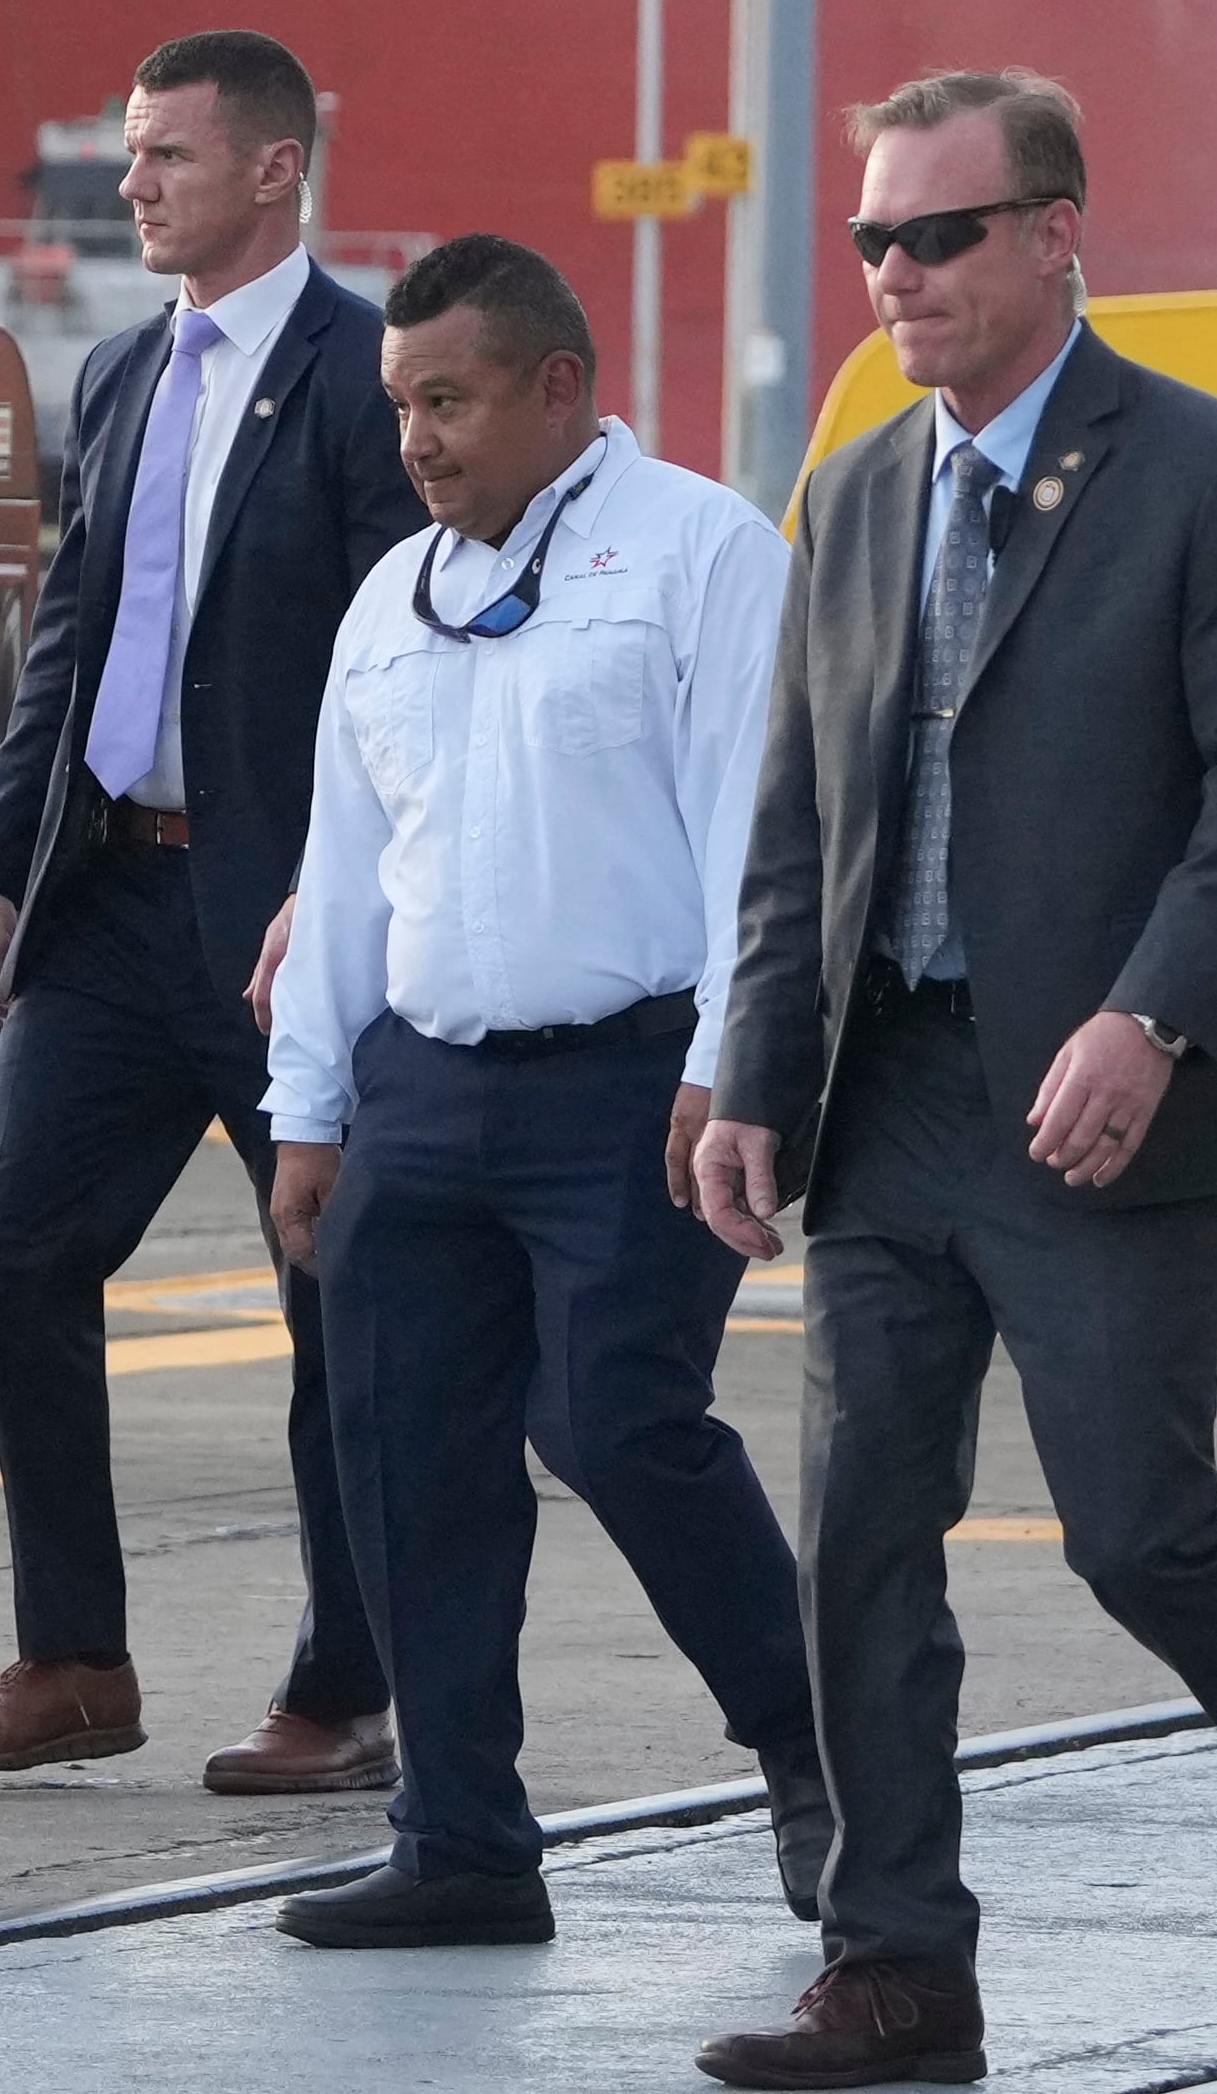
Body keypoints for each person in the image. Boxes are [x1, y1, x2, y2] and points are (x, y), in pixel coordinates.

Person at [692, 70, 1217, 2089]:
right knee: (860, 1525)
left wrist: (1151, 1011)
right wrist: (751, 1068)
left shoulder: (1206, 467)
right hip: (888, 1094)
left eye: (938, 233)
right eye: (872, 238)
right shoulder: (848, 493)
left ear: (1055, 232)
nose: (897, 273)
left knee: (1135, 1525)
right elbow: (793, 821)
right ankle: (899, 1963)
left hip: (1108, 1090)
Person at [254, 235, 823, 1952]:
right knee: (403, 1450)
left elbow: (756, 832)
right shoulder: (390, 600)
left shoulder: (702, 555)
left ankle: (818, 1758)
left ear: (557, 391)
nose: (415, 437)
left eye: (449, 399)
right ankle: (462, 1844)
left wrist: (737, 1060)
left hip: (633, 1081)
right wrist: (307, 1111)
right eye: (399, 404)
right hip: (420, 1087)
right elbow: (343, 874)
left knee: (614, 1420)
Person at [0, 30, 412, 1793]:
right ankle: (70, 1660)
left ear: (274, 169)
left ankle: (341, 1687)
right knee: (16, 1254)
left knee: (329, 1300)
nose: (129, 187)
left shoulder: (371, 381)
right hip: (109, 898)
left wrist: (341, 903)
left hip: (287, 920)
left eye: (163, 159)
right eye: (127, 155)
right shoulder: (123, 373)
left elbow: (393, 669)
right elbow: (71, 643)